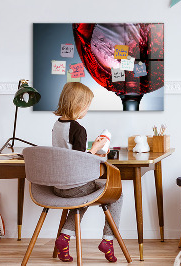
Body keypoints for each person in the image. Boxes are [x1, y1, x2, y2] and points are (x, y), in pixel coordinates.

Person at [52, 82, 122, 263]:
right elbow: (80, 161)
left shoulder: (57, 125)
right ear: (78, 105)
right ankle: (108, 240)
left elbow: (69, 154)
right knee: (117, 194)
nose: (87, 110)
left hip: (58, 186)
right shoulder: (78, 129)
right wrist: (97, 148)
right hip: (75, 186)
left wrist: (92, 150)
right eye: (87, 106)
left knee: (82, 197)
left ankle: (64, 238)